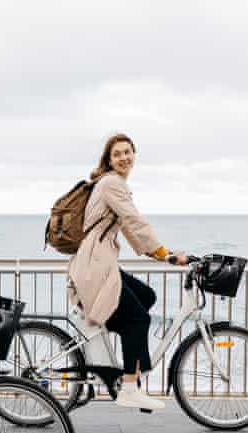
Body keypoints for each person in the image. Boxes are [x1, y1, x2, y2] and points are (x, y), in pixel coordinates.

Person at [67, 133, 188, 411]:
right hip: (95, 265)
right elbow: (135, 220)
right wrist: (164, 253)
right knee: (138, 320)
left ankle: (121, 364)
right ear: (109, 160)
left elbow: (130, 229)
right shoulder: (111, 183)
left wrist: (163, 256)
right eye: (117, 154)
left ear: (135, 154)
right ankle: (129, 388)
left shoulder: (114, 184)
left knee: (146, 296)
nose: (124, 157)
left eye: (128, 152)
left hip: (99, 262)